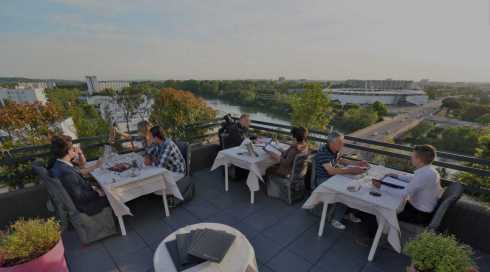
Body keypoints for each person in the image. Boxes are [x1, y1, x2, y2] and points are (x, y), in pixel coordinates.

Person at [374, 144, 443, 226]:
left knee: (380, 208)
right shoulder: (430, 170)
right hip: (422, 208)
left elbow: (404, 194)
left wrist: (381, 186)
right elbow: (414, 178)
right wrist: (397, 176)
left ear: (419, 160)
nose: (411, 158)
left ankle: (373, 233)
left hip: (419, 214)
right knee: (387, 198)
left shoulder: (425, 174)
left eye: (413, 156)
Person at [314, 131, 368, 230]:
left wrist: (357, 163)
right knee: (345, 191)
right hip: (323, 180)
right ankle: (336, 219)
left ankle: (348, 213)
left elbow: (341, 160)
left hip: (332, 177)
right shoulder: (323, 152)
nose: (343, 144)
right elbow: (330, 171)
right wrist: (351, 170)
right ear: (332, 143)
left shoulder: (335, 150)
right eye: (340, 142)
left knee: (357, 186)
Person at [49, 135, 109, 216]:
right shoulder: (67, 173)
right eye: (73, 148)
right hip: (85, 207)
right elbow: (80, 197)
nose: (75, 149)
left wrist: (94, 187)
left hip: (81, 196)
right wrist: (98, 192)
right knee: (112, 195)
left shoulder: (59, 164)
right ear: (69, 152)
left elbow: (79, 172)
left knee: (101, 186)